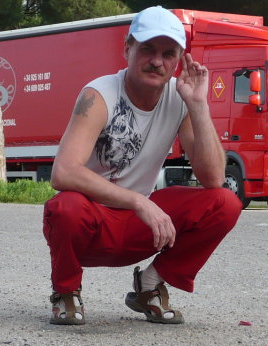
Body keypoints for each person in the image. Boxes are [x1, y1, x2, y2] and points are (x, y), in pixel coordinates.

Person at [42, 6, 242, 325]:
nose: (157, 61)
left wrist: (199, 106)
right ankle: (66, 292)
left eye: (168, 53)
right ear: (127, 49)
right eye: (147, 49)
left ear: (178, 60)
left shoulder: (181, 98)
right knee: (64, 207)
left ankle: (150, 285)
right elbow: (63, 172)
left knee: (225, 203)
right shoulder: (99, 94)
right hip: (91, 224)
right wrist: (139, 202)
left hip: (140, 229)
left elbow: (214, 179)